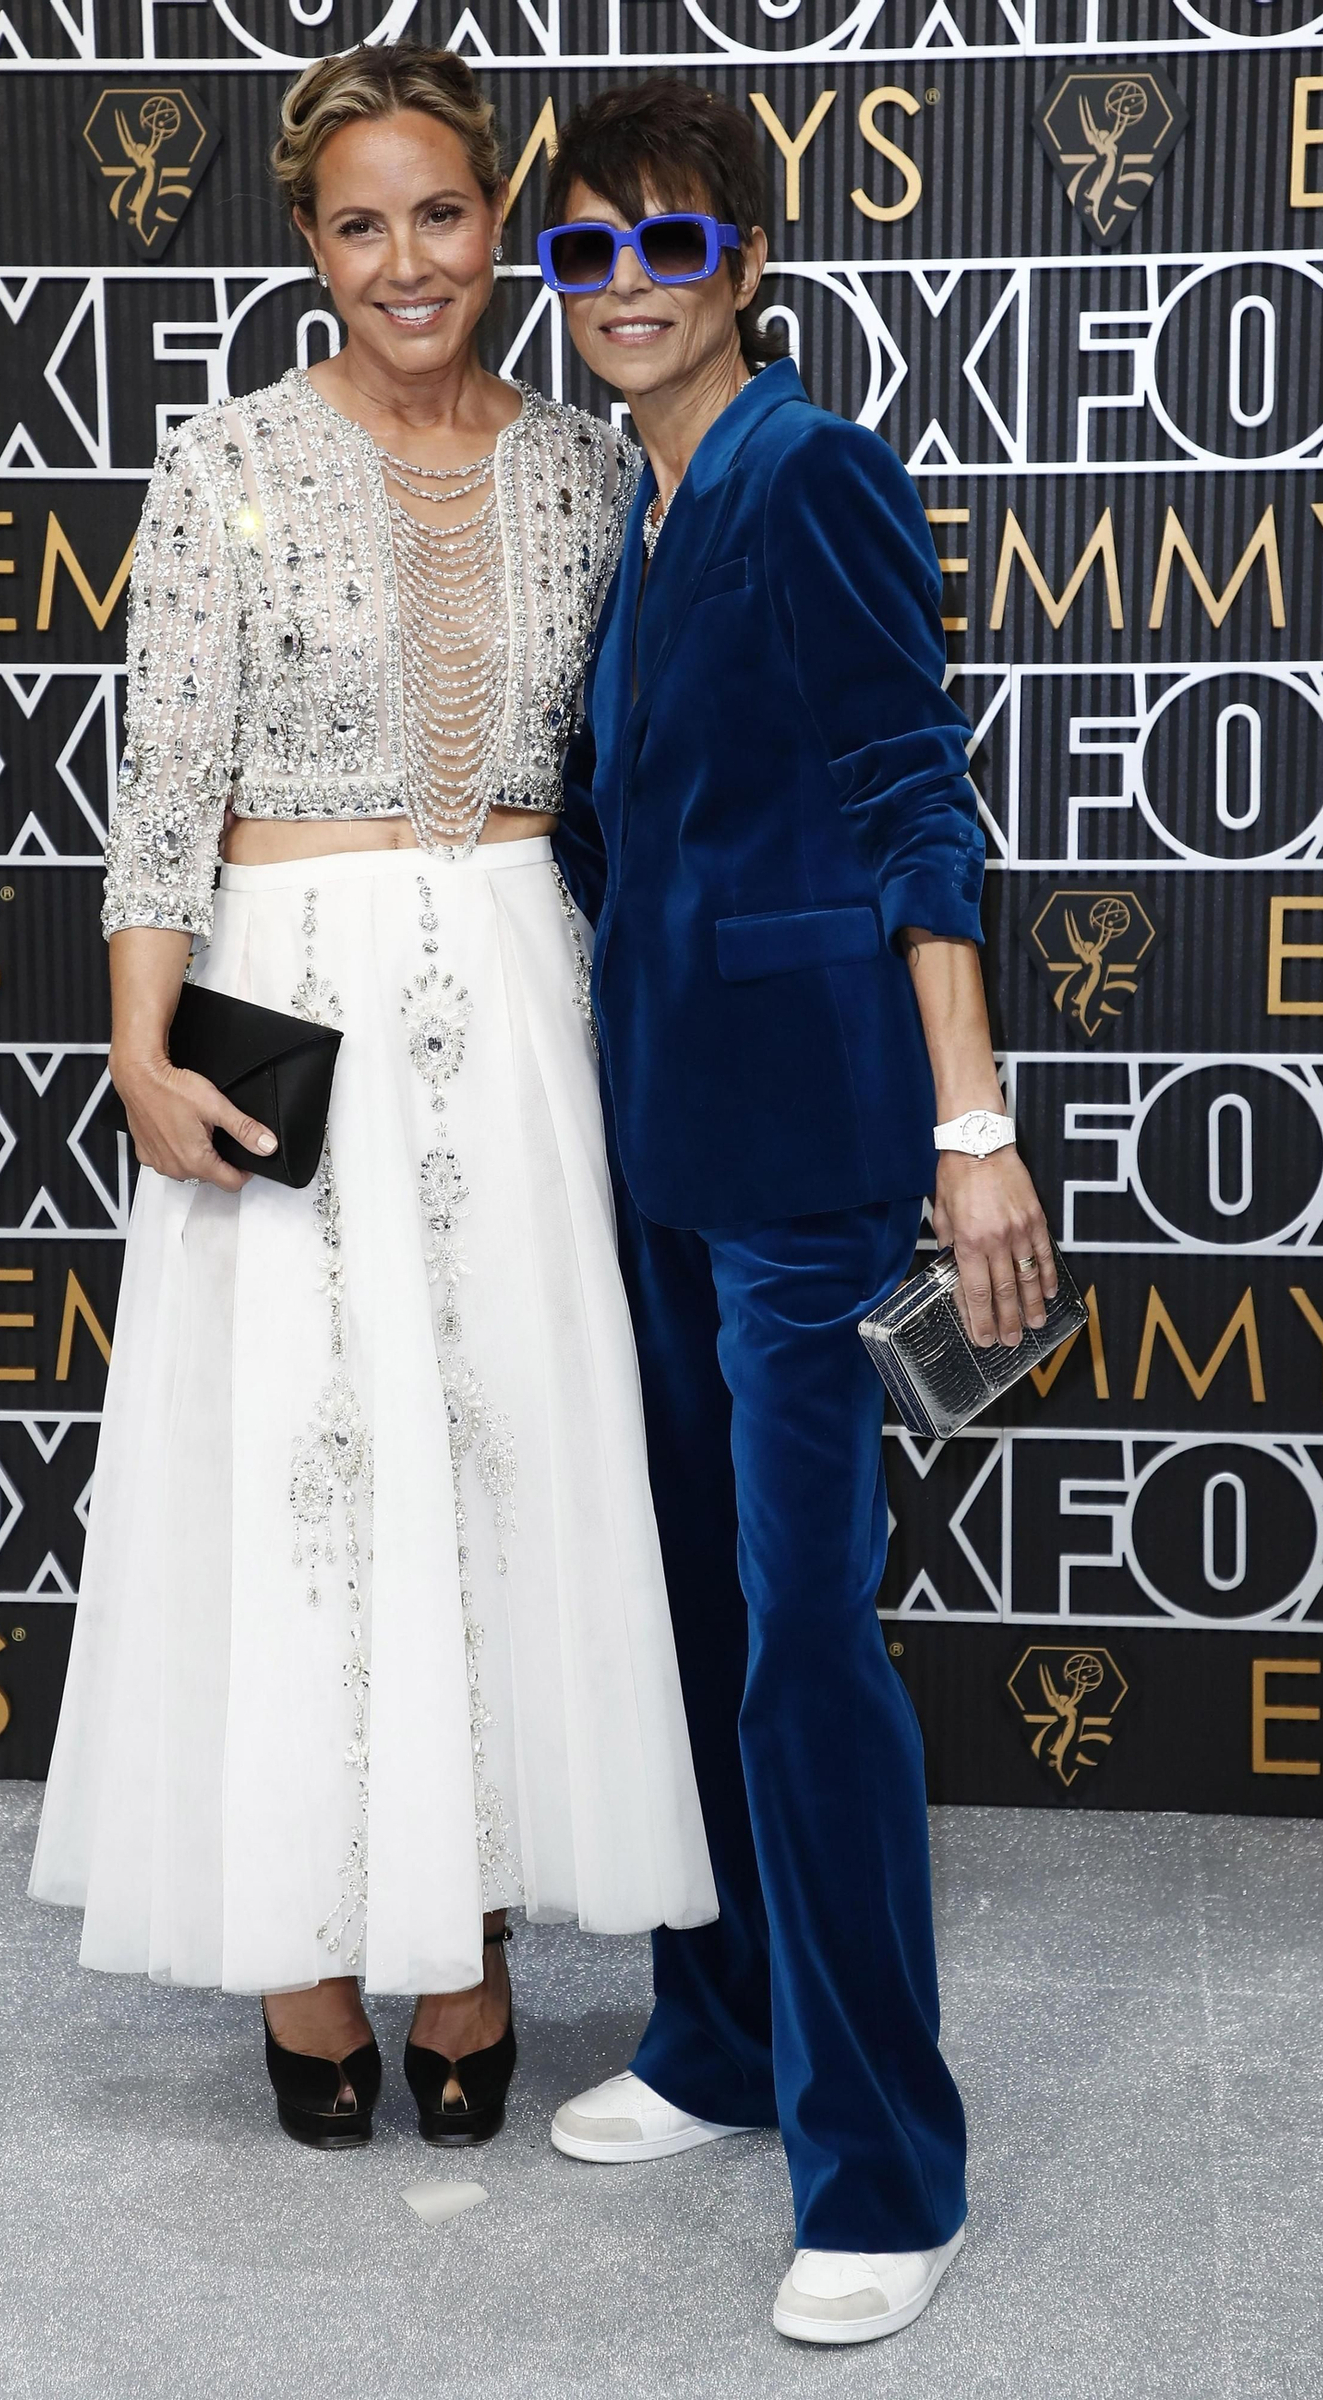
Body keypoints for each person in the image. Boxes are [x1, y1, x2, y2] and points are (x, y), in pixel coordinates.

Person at [28, 44, 716, 2155]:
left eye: (439, 213)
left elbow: (632, 782)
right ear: (306, 245)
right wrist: (142, 1048)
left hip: (518, 1011)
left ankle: (473, 1937)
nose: (405, 259)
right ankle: (309, 1951)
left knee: (498, 1470)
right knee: (305, 1485)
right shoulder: (222, 461)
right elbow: (162, 794)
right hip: (284, 1007)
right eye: (358, 222)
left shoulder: (589, 471)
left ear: (495, 226)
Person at [538, 83, 1058, 2343]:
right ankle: (727, 2034)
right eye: (586, 256)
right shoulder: (644, 513)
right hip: (655, 1144)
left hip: (814, 1158)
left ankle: (881, 2162)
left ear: (742, 258)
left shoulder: (802, 468)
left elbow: (905, 795)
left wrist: (969, 1127)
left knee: (803, 1653)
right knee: (684, 1618)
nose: (627, 288)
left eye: (670, 244)